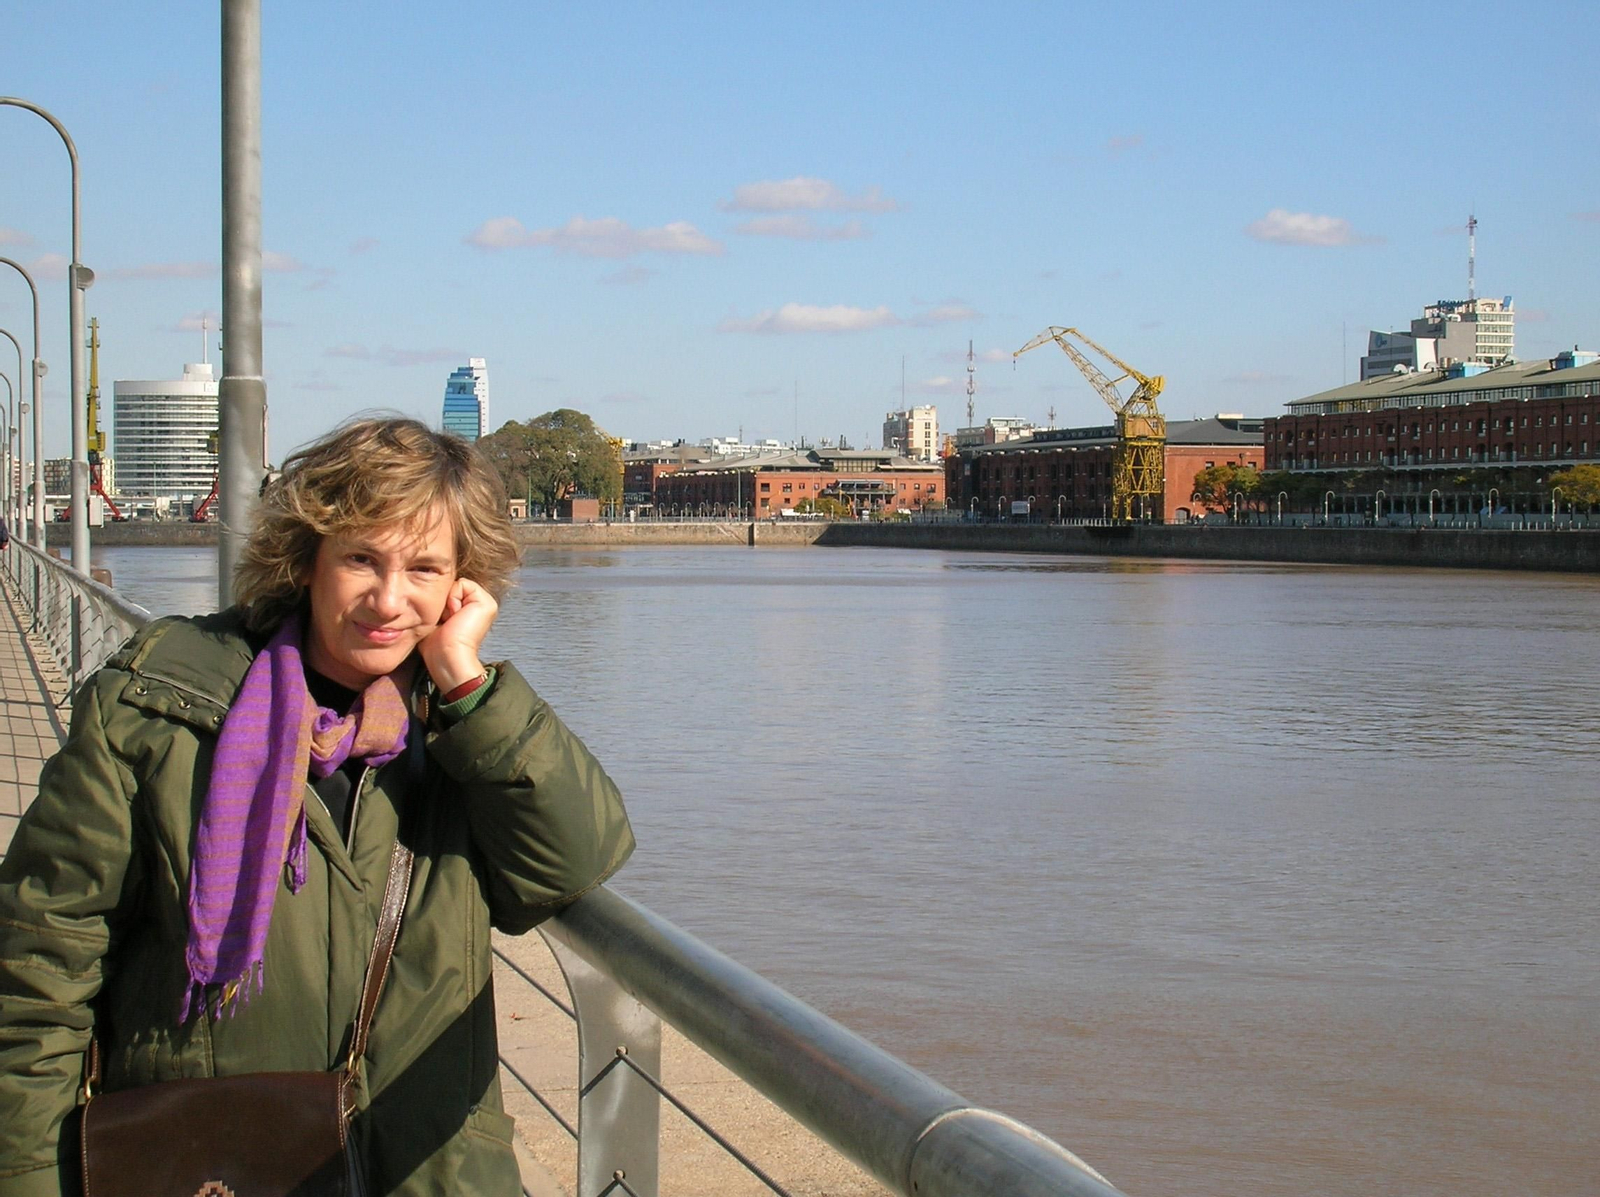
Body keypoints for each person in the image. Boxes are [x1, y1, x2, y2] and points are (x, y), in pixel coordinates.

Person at [0, 417, 635, 1195]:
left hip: (422, 1170)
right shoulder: (152, 714)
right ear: (306, 558)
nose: (389, 598)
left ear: (461, 586)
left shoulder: (458, 729)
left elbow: (575, 856)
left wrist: (471, 686)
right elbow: (37, 975)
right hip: (207, 1167)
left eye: (425, 568)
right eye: (362, 558)